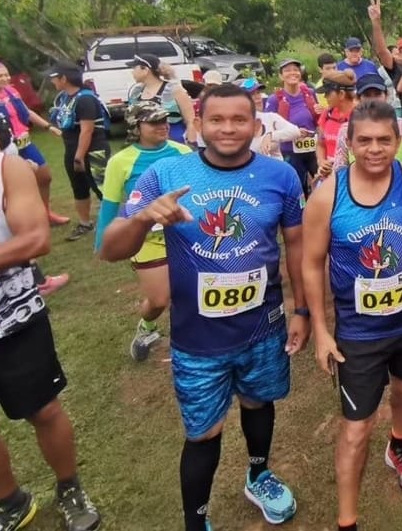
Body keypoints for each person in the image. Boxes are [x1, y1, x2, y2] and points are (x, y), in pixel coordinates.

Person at [100, 83, 309, 531]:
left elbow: (296, 247)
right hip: (198, 340)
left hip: (263, 329)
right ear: (199, 124)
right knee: (202, 434)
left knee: (258, 404)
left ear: (256, 125)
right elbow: (110, 249)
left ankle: (259, 474)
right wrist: (142, 217)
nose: (228, 129)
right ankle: (196, 520)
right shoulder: (166, 176)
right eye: (217, 120)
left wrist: (302, 310)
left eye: (239, 120)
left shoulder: (281, 176)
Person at [302, 100, 402, 531]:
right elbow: (311, 263)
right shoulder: (328, 194)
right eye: (365, 140)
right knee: (356, 428)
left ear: (399, 142)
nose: (375, 149)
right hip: (359, 333)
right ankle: (348, 521)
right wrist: (322, 332)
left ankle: (399, 444)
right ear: (350, 142)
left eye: (384, 140)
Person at [0, 149, 101, 531]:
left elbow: (34, 238)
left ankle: (70, 488)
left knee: (43, 409)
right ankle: (12, 503)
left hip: (13, 319)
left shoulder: (1, 167)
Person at [94, 101, 191, 361]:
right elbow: (110, 205)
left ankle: (192, 341)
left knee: (192, 290)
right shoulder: (120, 161)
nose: (163, 126)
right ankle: (147, 327)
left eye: (165, 120)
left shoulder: (183, 151)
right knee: (159, 299)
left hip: (184, 231)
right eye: (154, 122)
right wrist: (103, 243)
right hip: (146, 236)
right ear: (136, 127)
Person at [0, 59, 69, 225]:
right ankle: (18, 220)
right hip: (4, 145)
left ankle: (45, 213)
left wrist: (48, 126)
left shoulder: (11, 91)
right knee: (12, 186)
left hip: (24, 142)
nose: (5, 78)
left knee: (44, 176)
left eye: (6, 74)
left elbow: (26, 112)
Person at [47, 64, 112, 242]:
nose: (52, 81)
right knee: (79, 187)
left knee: (102, 188)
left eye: (54, 78)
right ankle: (85, 223)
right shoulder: (65, 98)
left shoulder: (85, 99)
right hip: (72, 149)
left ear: (63, 79)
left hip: (93, 151)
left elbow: (87, 130)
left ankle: (114, 224)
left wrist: (79, 156)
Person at [330, 74, 402, 172]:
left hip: (398, 181)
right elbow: (339, 167)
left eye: (377, 94)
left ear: (386, 95)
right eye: (367, 95)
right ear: (358, 99)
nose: (373, 99)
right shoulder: (347, 129)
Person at [265, 59, 321, 194]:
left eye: (295, 70)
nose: (292, 73)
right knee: (297, 187)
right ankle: (301, 213)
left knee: (322, 181)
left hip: (313, 148)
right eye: (287, 70)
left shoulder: (310, 93)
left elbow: (318, 119)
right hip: (290, 151)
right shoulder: (274, 99)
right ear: (280, 76)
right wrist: (294, 132)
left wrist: (321, 112)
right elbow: (268, 128)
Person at [127, 53, 198, 145]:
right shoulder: (136, 92)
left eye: (134, 68)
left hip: (174, 142)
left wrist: (191, 145)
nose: (132, 72)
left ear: (145, 70)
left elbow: (190, 120)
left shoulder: (174, 89)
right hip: (147, 144)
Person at [242, 79, 302, 160]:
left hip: (276, 169)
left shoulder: (270, 117)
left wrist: (271, 136)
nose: (257, 98)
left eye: (258, 93)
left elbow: (295, 131)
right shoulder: (237, 124)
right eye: (252, 94)